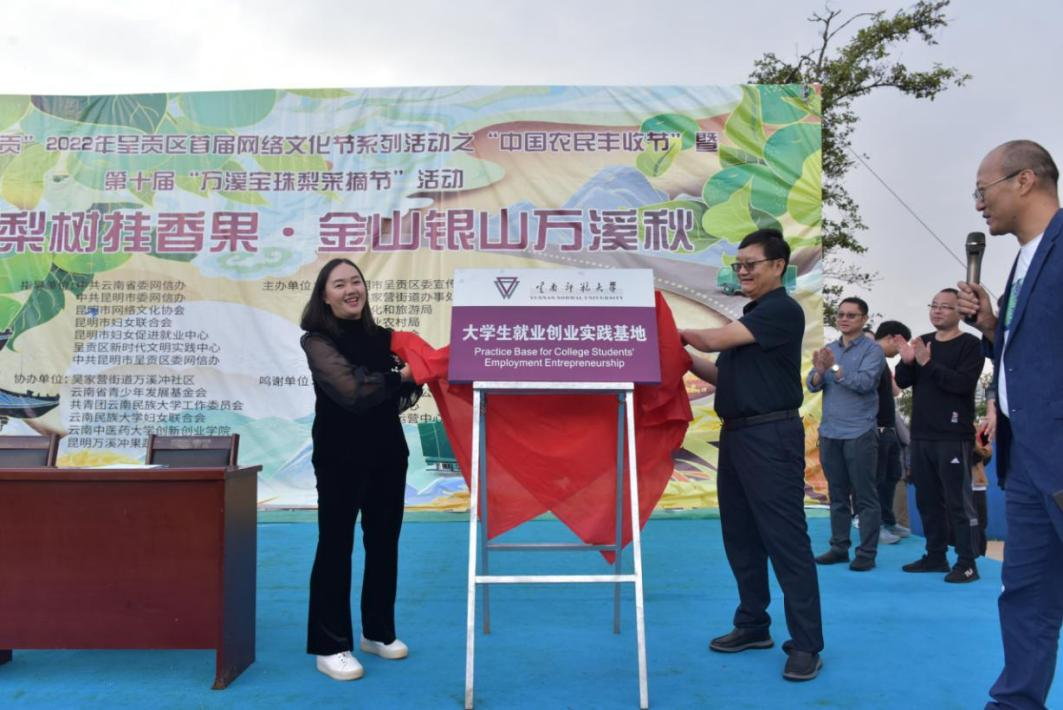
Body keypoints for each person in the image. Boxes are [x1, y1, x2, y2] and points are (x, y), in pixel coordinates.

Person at [681, 228, 823, 682]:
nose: (742, 271)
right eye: (737, 264)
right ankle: (752, 624)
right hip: (738, 436)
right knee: (740, 536)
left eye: (750, 264)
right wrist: (680, 358)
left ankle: (806, 644)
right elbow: (720, 374)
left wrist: (672, 333)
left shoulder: (781, 310)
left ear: (778, 266)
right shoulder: (751, 318)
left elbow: (709, 341)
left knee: (785, 540)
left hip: (771, 437)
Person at [956, 139, 1063, 710]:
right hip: (1024, 462)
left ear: (1024, 180)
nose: (978, 204)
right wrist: (992, 326)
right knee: (1024, 593)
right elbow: (1032, 354)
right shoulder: (1023, 259)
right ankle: (1016, 701)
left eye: (983, 190)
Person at [300, 258, 421, 681]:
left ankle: (377, 632)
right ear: (324, 296)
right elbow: (351, 390)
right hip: (339, 458)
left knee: (384, 543)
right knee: (336, 546)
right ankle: (330, 645)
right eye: (339, 284)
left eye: (356, 281)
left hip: (388, 453)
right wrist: (401, 376)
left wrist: (419, 372)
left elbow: (398, 397)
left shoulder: (386, 338)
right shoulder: (317, 341)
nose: (351, 289)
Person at [894, 288, 985, 583]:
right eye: (933, 305)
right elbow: (903, 382)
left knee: (958, 501)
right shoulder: (924, 341)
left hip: (952, 434)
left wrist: (927, 363)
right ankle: (935, 556)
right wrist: (907, 361)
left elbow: (961, 384)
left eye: (944, 306)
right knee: (927, 499)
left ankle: (967, 562)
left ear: (960, 312)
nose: (937, 311)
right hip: (922, 434)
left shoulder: (971, 345)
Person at [807, 297, 885, 570]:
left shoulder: (873, 351)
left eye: (852, 315)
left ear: (864, 319)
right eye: (841, 314)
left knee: (864, 496)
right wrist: (819, 372)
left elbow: (865, 383)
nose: (844, 319)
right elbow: (812, 384)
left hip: (859, 432)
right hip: (830, 432)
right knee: (837, 494)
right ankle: (839, 547)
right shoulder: (829, 349)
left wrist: (834, 369)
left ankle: (866, 553)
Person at [872, 320, 913, 541]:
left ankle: (888, 521)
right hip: (874, 428)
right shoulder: (869, 357)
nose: (900, 350)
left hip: (889, 428)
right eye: (900, 344)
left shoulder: (883, 361)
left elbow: (896, 391)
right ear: (892, 338)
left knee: (892, 475)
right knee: (876, 479)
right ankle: (874, 526)